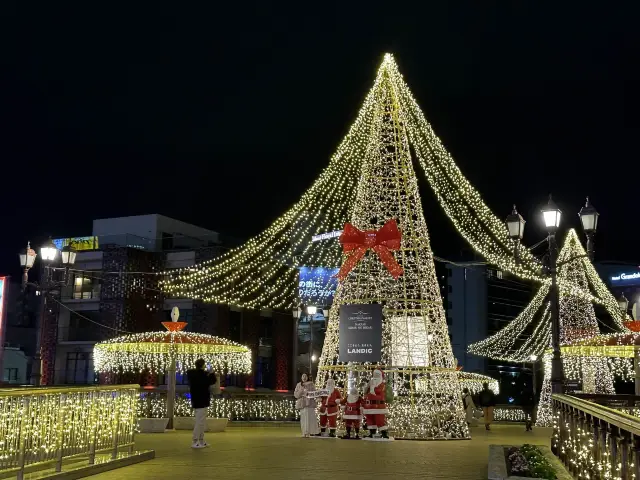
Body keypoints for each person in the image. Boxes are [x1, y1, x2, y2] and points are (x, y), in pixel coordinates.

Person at [186, 358, 217, 448]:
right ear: (203, 365)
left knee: (201, 421)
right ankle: (195, 441)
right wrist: (211, 372)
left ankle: (201, 440)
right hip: (202, 400)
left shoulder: (193, 374)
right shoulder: (202, 375)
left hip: (196, 400)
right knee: (200, 422)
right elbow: (212, 381)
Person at [363, 369, 389, 439]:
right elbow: (365, 393)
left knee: (380, 420)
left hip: (379, 406)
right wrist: (367, 387)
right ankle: (372, 433)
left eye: (377, 375)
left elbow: (379, 392)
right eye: (374, 375)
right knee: (370, 420)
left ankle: (384, 433)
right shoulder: (370, 383)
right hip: (369, 406)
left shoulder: (383, 385)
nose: (375, 377)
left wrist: (372, 388)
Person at [294, 373, 320, 437]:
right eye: (303, 376)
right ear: (301, 377)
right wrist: (301, 391)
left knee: (309, 418)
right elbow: (296, 395)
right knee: (303, 419)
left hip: (309, 404)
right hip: (302, 404)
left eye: (305, 376)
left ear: (307, 377)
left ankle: (308, 432)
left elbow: (315, 393)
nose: (304, 377)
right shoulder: (299, 385)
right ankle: (304, 432)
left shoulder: (311, 384)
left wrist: (318, 398)